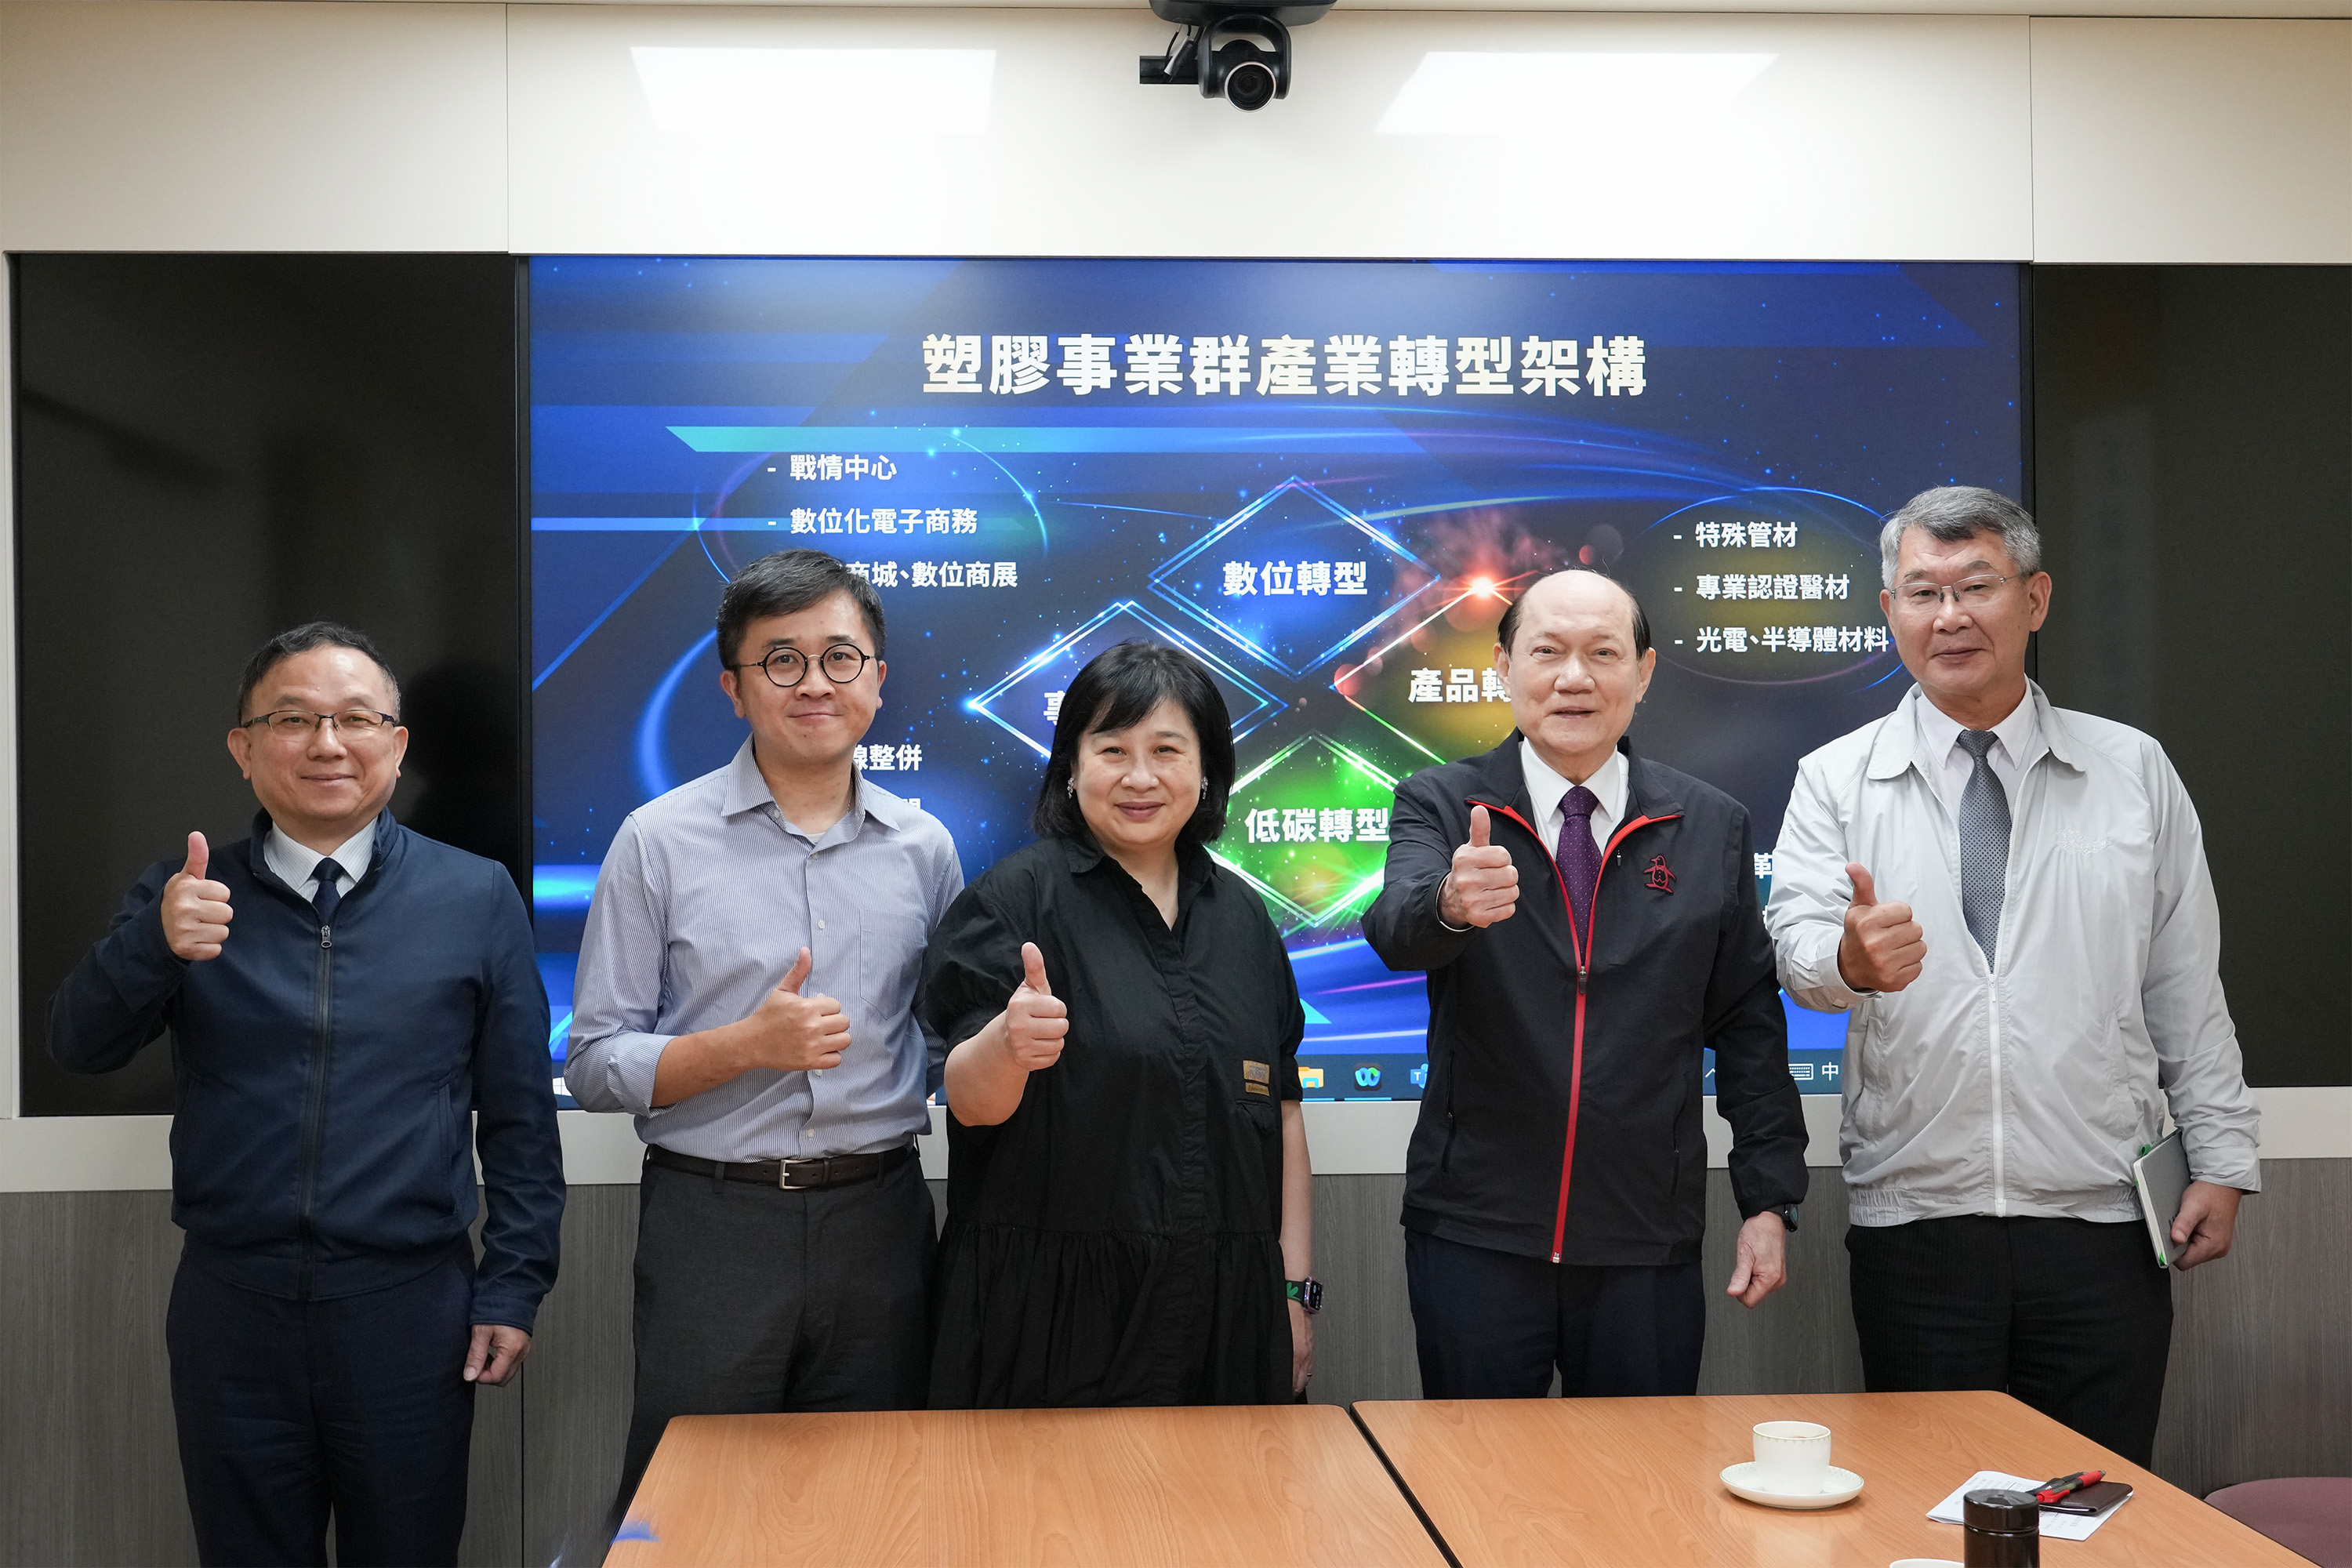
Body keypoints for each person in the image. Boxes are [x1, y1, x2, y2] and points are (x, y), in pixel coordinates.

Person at [48, 622, 564, 1568]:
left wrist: (514, 1282)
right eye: (294, 719)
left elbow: (521, 1116)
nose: (328, 743)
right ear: (244, 748)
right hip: (231, 1307)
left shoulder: (476, 895)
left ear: (397, 745)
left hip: (410, 1308)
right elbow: (79, 1045)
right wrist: (152, 945)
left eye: (356, 718)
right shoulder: (185, 891)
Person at [1765, 485, 2260, 1465]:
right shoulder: (1835, 775)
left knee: (2093, 1507)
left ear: (2035, 598)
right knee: (1932, 1507)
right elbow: (1797, 954)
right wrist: (1847, 962)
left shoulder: (2132, 770)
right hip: (1918, 1218)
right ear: (1890, 612)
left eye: (1977, 586)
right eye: (1922, 592)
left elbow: (2185, 984)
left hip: (2101, 1215)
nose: (1949, 616)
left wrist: (2223, 1157)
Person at [566, 550, 963, 1522]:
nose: (815, 682)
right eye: (781, 660)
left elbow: (948, 1046)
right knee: (694, 1508)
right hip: (715, 1223)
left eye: (840, 656)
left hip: (880, 1220)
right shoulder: (657, 839)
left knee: (875, 1507)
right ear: (733, 687)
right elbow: (594, 1062)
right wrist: (741, 1045)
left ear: (878, 677)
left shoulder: (926, 849)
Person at [1364, 568, 1806, 1400]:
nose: (1574, 677)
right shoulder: (1445, 803)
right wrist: (1450, 903)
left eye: (1603, 653)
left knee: (1640, 1474)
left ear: (1643, 672)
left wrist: (1769, 1199)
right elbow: (1395, 928)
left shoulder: (1708, 823)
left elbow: (1749, 1022)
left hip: (1644, 1236)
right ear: (1504, 668)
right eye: (1547, 652)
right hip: (1476, 1232)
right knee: (1476, 1470)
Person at [919, 641, 1316, 1407]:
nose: (1140, 776)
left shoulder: (1243, 918)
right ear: (1071, 768)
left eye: (1166, 750)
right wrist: (1007, 1045)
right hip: (1050, 1318)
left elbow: (1284, 1113)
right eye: (1112, 750)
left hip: (1226, 1313)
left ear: (1207, 771)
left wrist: (1296, 1291)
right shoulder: (1013, 902)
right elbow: (967, 1101)